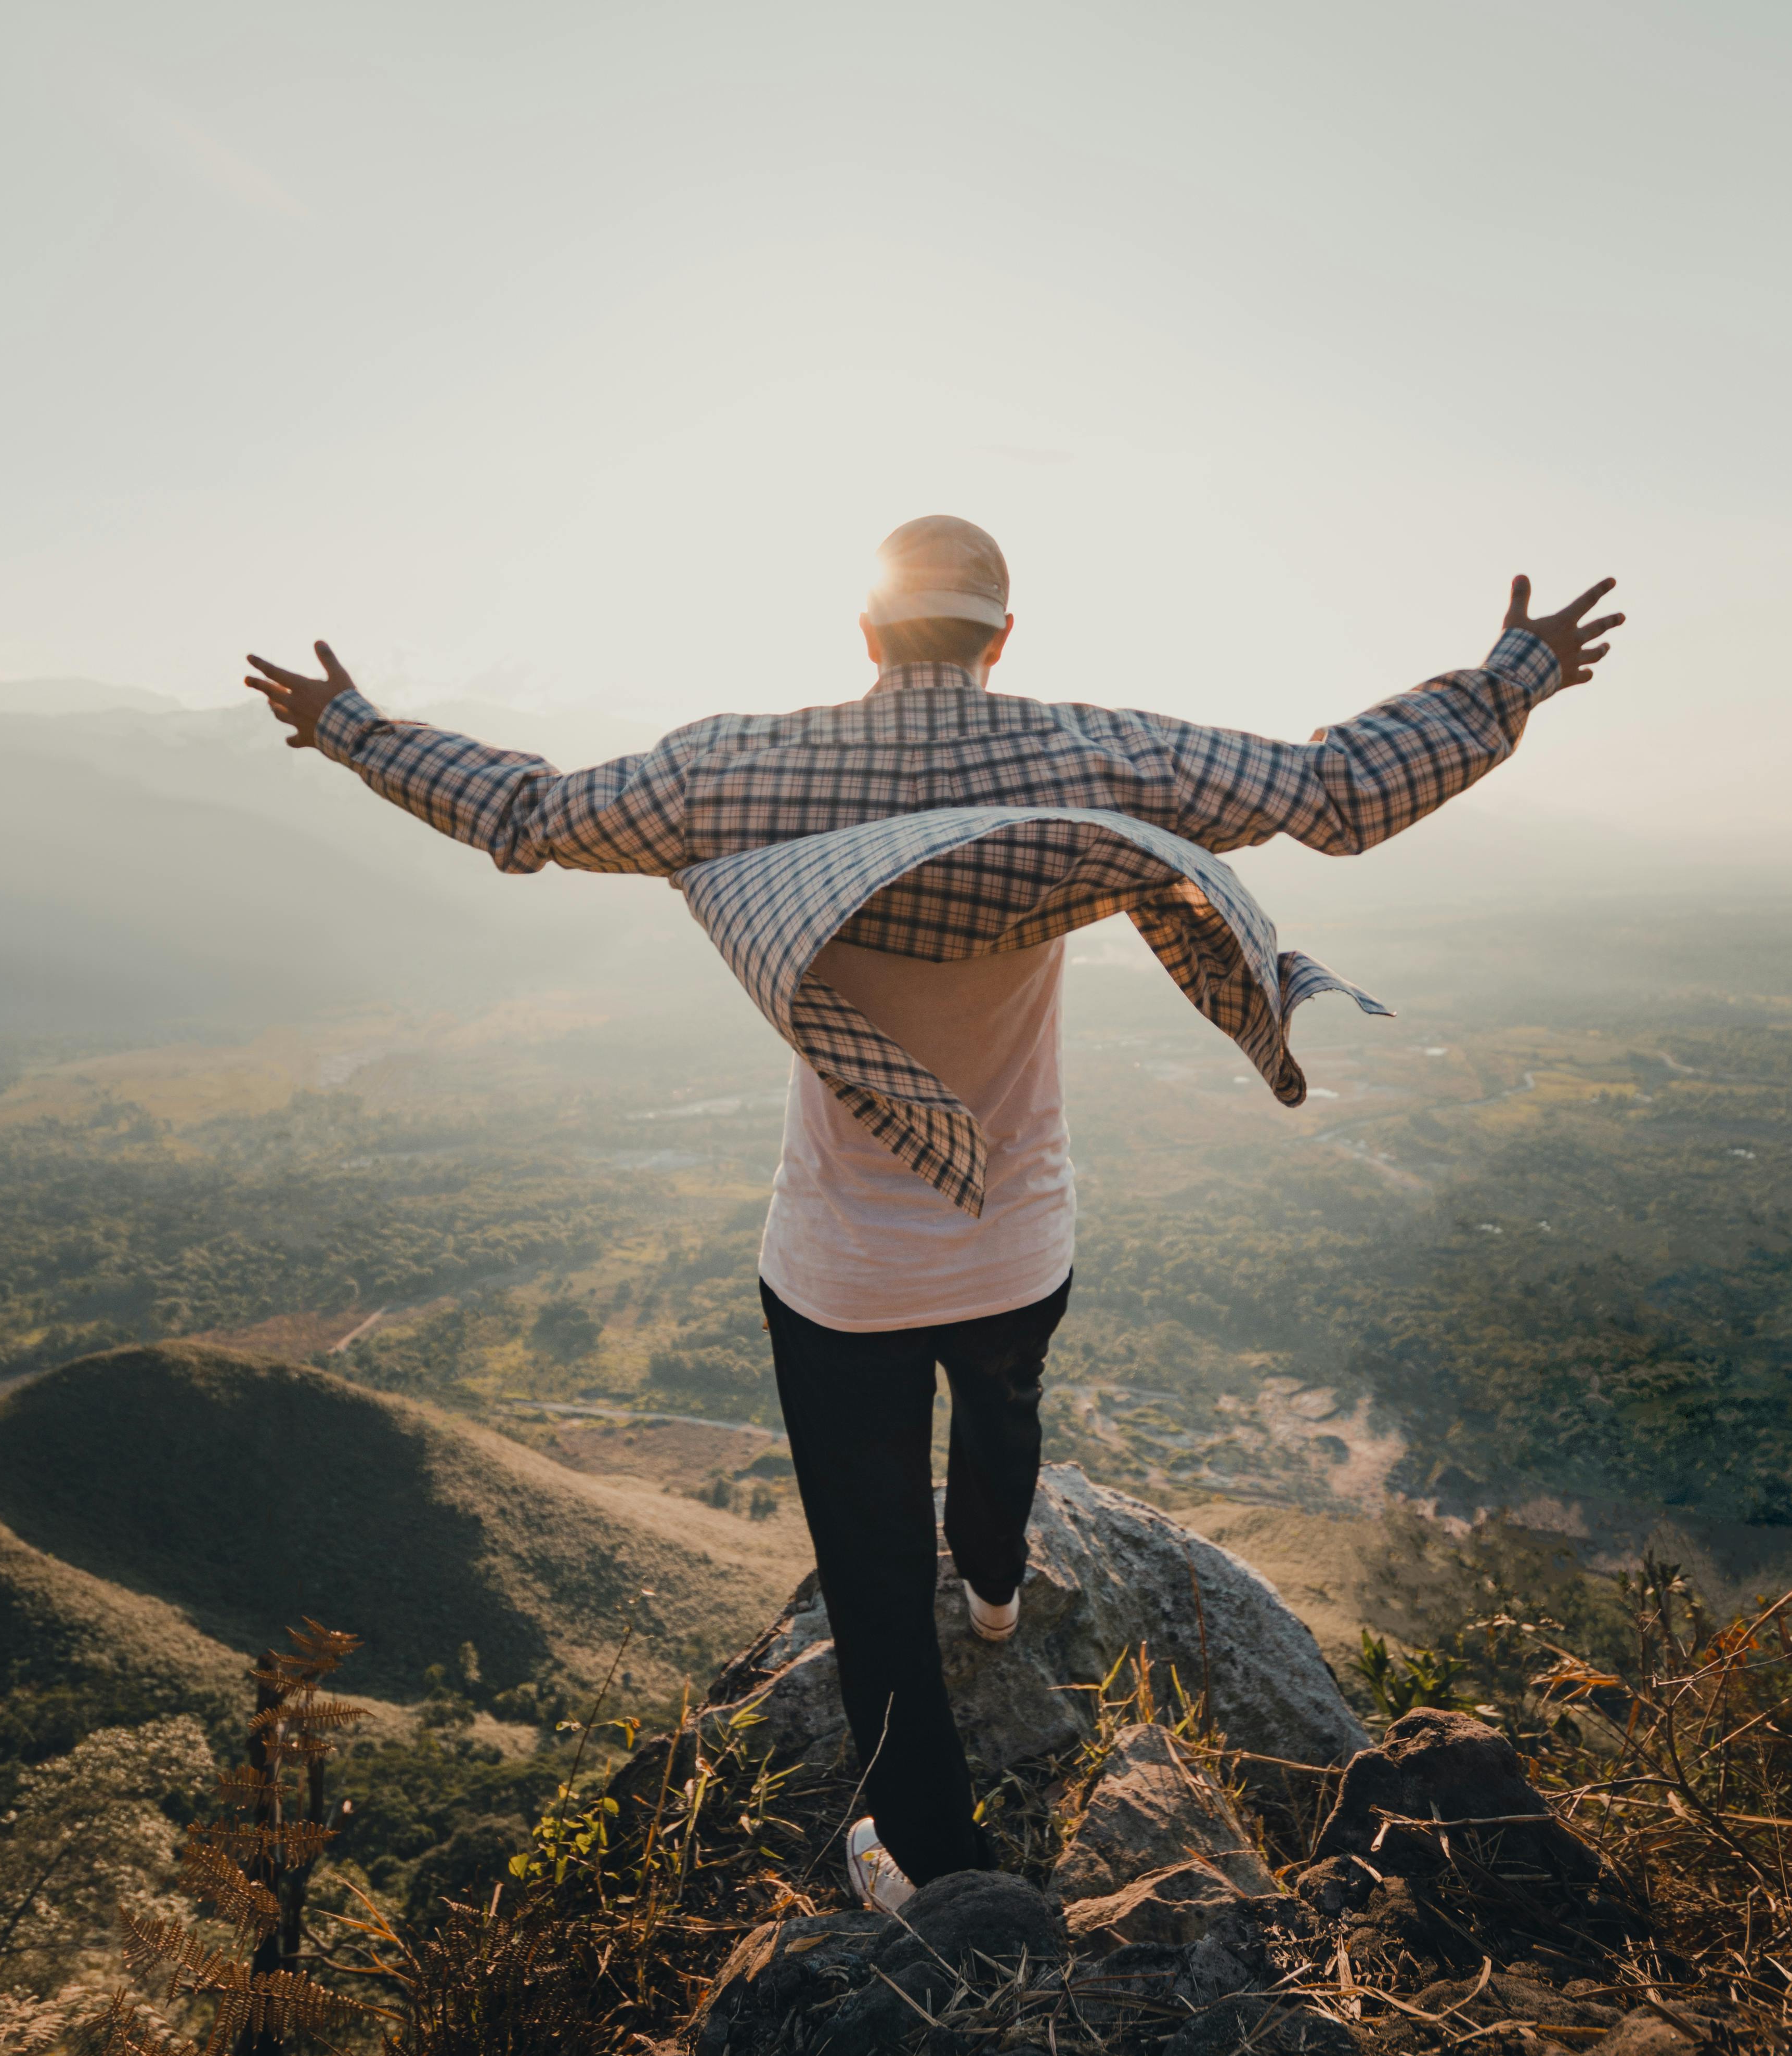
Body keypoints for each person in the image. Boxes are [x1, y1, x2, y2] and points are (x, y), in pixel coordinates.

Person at [248, 518, 1621, 1910]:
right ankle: (1003, 1595)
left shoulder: (744, 767)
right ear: (1001, 638)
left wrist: (353, 726)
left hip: (839, 1270)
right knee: (1005, 1417)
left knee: (869, 1578)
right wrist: (1510, 675)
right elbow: (1334, 791)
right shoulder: (1093, 751)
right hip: (1018, 1237)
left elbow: (528, 812)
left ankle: (933, 1867)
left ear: (866, 631)